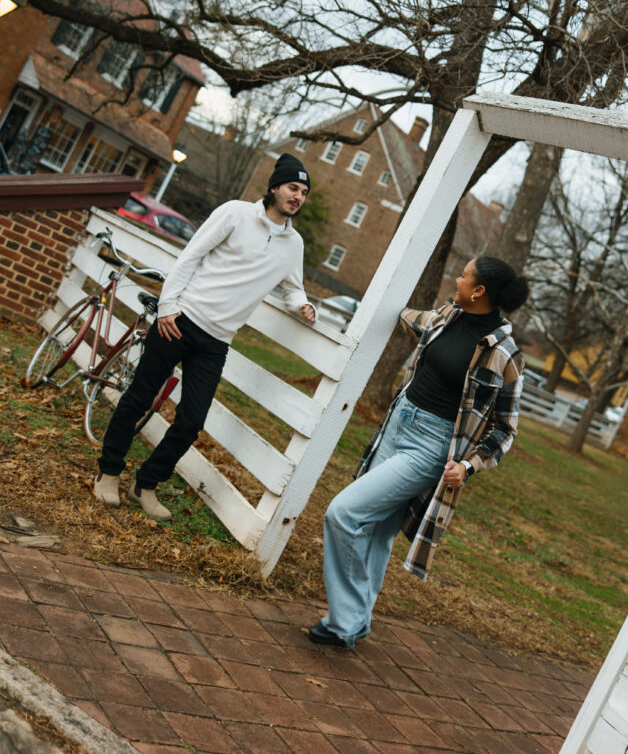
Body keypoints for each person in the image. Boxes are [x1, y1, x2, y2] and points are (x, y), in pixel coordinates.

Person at [309, 255, 528, 648]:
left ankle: (345, 621)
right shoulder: (448, 316)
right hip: (398, 422)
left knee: (343, 514)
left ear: (479, 291)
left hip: (431, 446)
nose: (457, 279)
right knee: (377, 530)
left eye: (464, 276)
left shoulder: (504, 354)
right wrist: (382, 301)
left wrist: (468, 465)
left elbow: (505, 427)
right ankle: (353, 623)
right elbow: (412, 318)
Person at [93, 153, 316, 519]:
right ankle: (109, 471)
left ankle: (145, 484)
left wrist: (302, 305)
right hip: (180, 320)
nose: (298, 197)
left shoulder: (294, 244)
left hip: (216, 341)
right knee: (138, 398)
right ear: (275, 187)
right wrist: (168, 306)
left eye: (304, 193)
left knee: (192, 421)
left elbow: (293, 288)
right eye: (293, 188)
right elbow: (191, 256)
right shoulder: (235, 213)